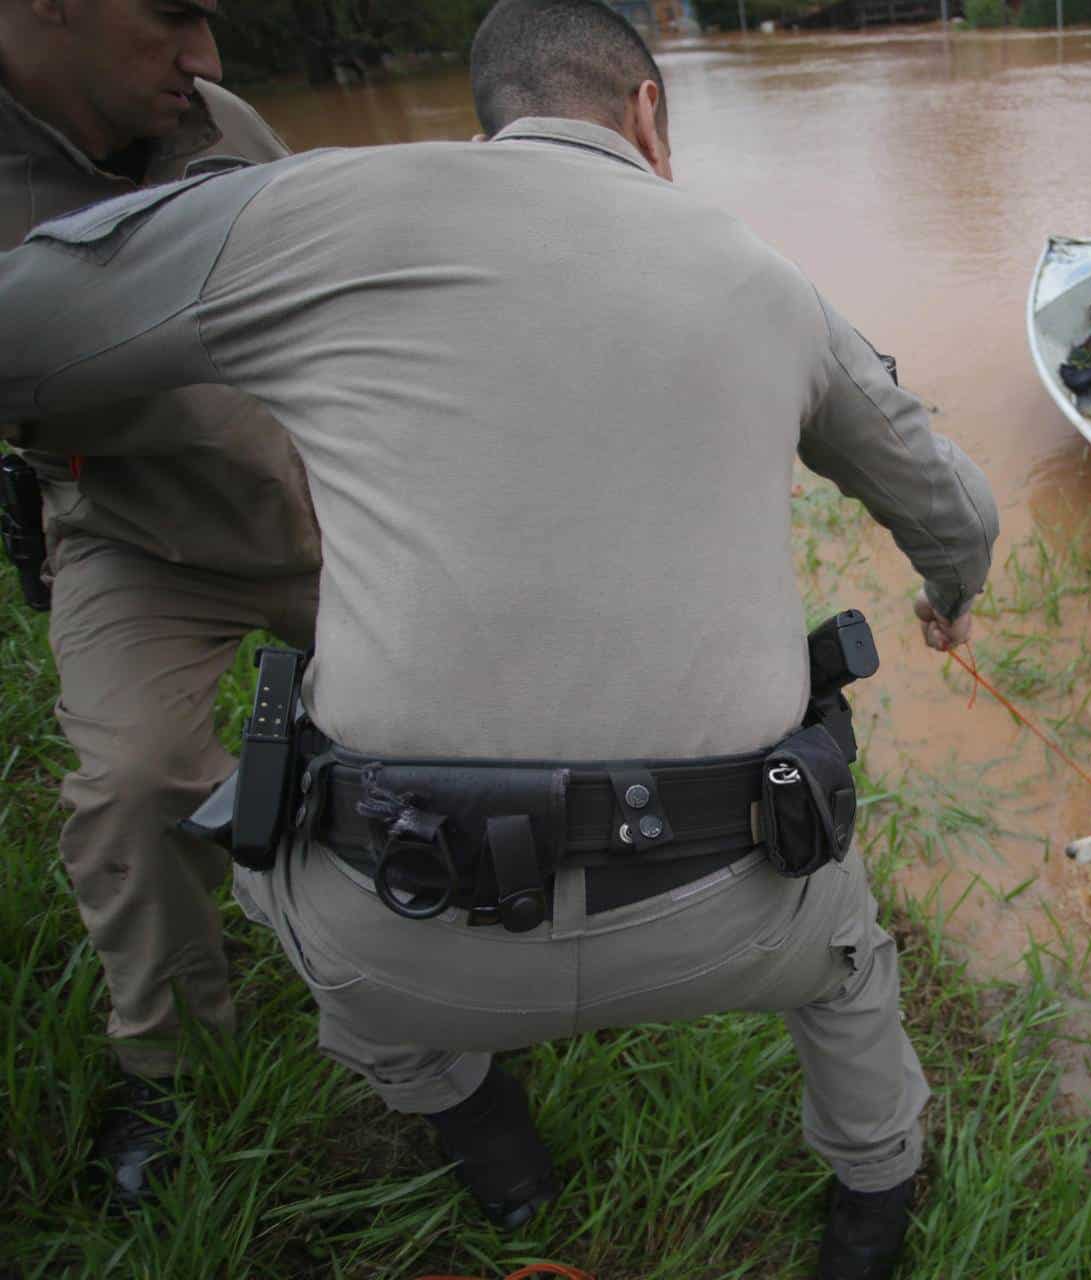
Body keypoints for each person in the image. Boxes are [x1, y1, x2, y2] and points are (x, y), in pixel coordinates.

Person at [0, 0, 997, 1271]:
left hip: (400, 925)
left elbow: (29, 320)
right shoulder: (765, 277)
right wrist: (950, 591)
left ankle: (495, 1149)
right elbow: (952, 503)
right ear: (648, 113)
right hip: (735, 908)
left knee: (302, 915)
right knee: (849, 960)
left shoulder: (310, 204)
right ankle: (872, 1203)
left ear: (487, 116)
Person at [0, 0, 320, 1203]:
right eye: (171, 17)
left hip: (319, 512)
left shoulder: (222, 125)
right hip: (134, 539)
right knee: (134, 783)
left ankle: (461, 985)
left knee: (456, 714)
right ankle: (176, 1061)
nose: (208, 57)